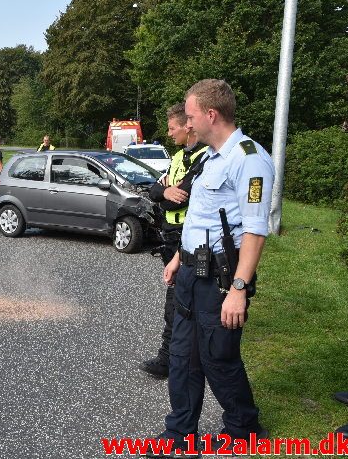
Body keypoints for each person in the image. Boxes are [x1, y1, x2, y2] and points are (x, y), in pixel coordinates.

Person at [150, 79, 274, 454]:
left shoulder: (250, 160)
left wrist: (238, 289)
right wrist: (177, 258)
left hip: (219, 281)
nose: (187, 124)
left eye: (190, 117)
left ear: (211, 114)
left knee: (217, 358)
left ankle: (243, 428)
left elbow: (254, 230)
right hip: (189, 272)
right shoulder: (208, 157)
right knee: (183, 358)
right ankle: (179, 435)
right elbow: (199, 216)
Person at [140, 103, 207, 378]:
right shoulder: (178, 157)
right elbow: (154, 190)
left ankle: (175, 360)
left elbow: (183, 196)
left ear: (187, 126)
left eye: (172, 128)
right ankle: (173, 359)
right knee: (177, 300)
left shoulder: (205, 157)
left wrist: (166, 196)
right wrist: (166, 192)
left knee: (184, 302)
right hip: (172, 240)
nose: (169, 134)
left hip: (191, 240)